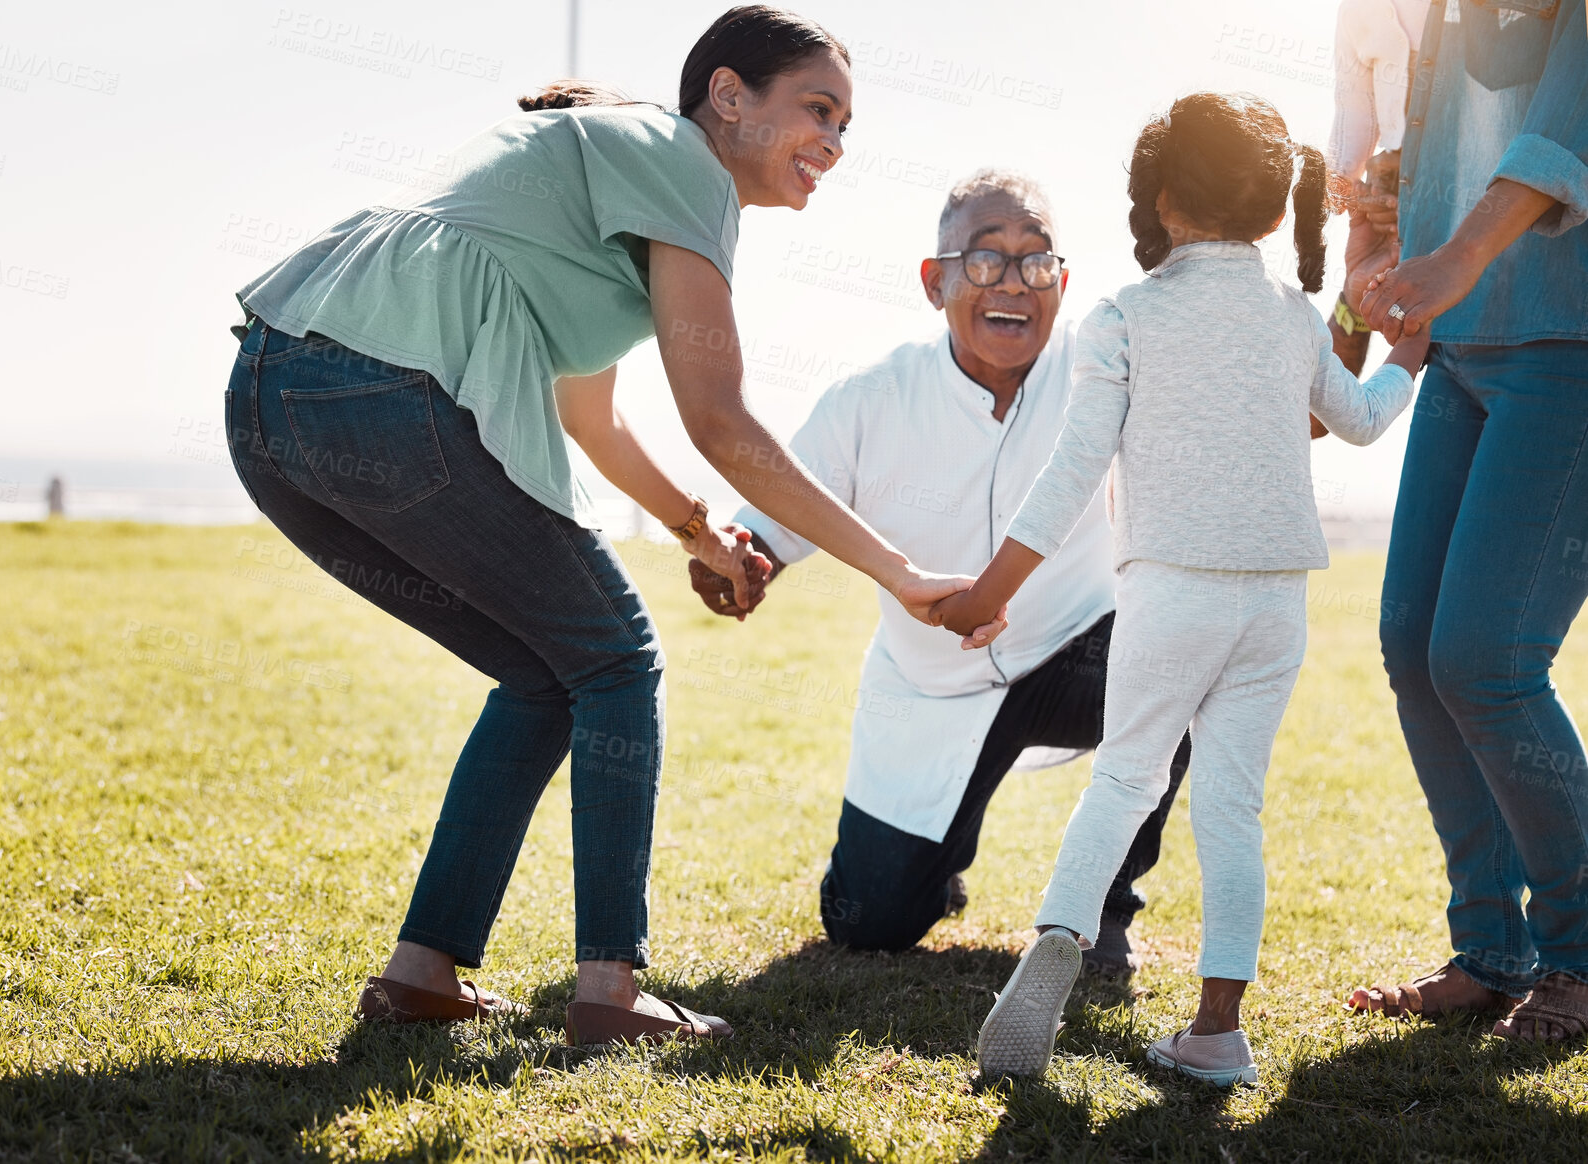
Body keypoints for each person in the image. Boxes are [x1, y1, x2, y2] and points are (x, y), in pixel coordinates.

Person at [223, 5, 1001, 1047]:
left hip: (273, 406)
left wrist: (699, 534)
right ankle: (610, 988)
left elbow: (590, 414)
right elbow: (719, 419)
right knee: (617, 660)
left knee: (555, 668)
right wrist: (897, 571)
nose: (834, 144)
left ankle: (423, 969)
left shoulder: (608, 197)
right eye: (817, 110)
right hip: (372, 389)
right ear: (728, 97)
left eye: (847, 125)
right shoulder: (681, 162)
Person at [935, 93, 1429, 1084]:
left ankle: (1055, 946)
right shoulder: (1294, 317)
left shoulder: (1123, 315)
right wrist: (1406, 345)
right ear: (1264, 206)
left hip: (1168, 589)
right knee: (1231, 812)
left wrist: (991, 587)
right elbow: (1360, 420)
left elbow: (1073, 469)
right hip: (1273, 600)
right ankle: (1215, 1033)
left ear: (1162, 202)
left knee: (1123, 783)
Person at [688, 169, 1190, 976]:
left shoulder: (1108, 370)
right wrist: (735, 564)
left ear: (1062, 281)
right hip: (928, 689)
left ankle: (1106, 910)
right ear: (936, 282)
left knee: (1175, 662)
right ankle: (935, 858)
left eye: (1037, 262)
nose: (1015, 284)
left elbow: (1270, 410)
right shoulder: (869, 399)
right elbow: (766, 529)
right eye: (986, 259)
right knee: (869, 924)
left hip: (1075, 652)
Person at [1345, 0, 1588, 1044]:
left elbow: (1560, 135)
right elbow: (1432, 158)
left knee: (1486, 656)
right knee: (1413, 646)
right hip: (1461, 354)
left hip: (1568, 349)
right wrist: (1376, 240)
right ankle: (1491, 949)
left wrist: (1456, 259)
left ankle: (1578, 953)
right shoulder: (1438, 14)